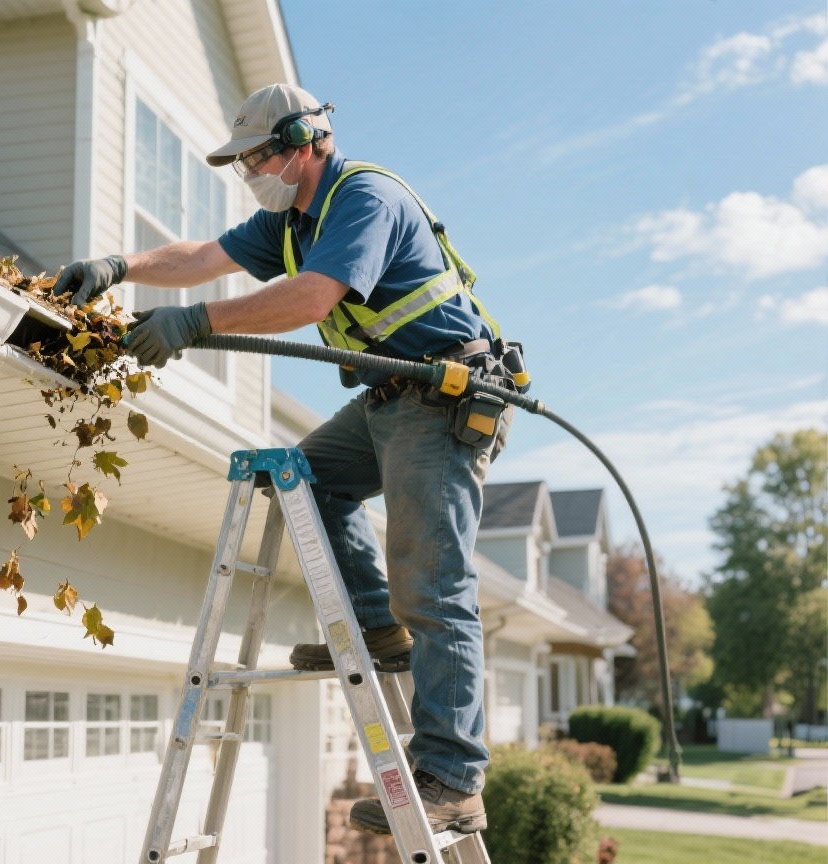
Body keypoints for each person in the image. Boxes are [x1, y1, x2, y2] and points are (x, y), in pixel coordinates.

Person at [54, 83, 514, 836]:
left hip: (442, 397)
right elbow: (205, 256)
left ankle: (456, 778)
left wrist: (196, 323)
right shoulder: (290, 222)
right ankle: (373, 630)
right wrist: (117, 267)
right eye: (243, 162)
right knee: (305, 478)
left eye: (258, 156)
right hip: (387, 398)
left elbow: (312, 298)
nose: (249, 172)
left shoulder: (363, 197)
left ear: (305, 141)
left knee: (433, 586)